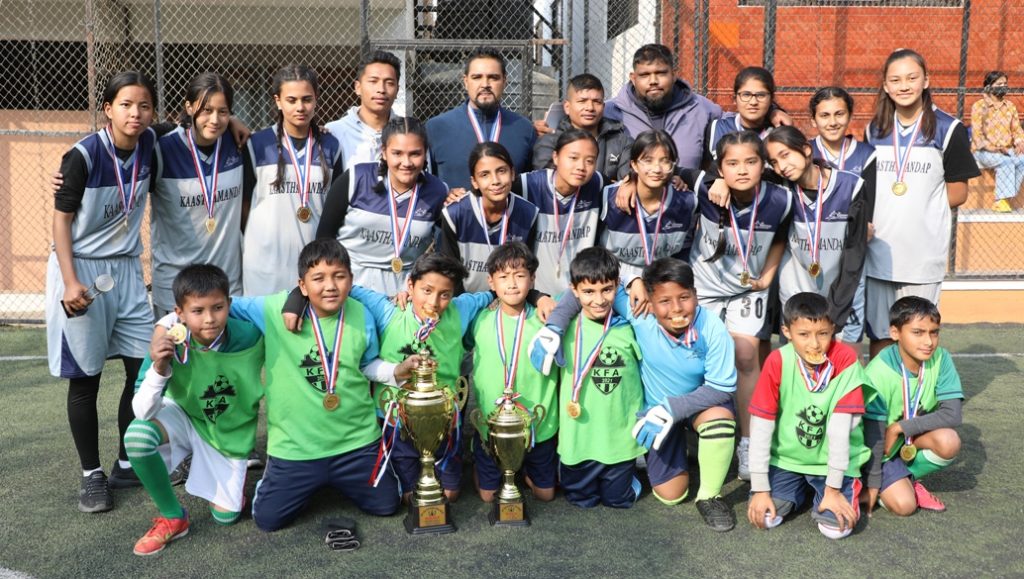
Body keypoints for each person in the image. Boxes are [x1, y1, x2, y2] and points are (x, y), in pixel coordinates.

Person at [227, 239, 415, 531]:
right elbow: (221, 304)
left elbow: (366, 364)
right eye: (318, 279)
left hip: (356, 443)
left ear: (351, 279)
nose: (330, 286)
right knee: (268, 520)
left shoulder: (362, 314)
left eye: (339, 276)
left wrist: (396, 370)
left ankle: (341, 478)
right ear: (302, 286)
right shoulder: (274, 309)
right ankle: (283, 478)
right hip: (295, 449)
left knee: (387, 504)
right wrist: (168, 325)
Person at [542, 258, 738, 529]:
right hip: (655, 414)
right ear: (649, 301)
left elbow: (721, 388)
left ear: (695, 295)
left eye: (684, 297)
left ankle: (709, 496)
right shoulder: (639, 313)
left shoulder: (712, 327)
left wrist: (673, 408)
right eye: (665, 301)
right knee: (671, 495)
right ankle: (685, 449)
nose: (676, 308)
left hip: (695, 407)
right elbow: (589, 286)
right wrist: (555, 325)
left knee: (719, 418)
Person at [47, 71, 158, 512]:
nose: (136, 113)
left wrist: (238, 123)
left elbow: (193, 129)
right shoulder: (83, 156)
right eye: (126, 105)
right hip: (82, 268)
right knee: (86, 377)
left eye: (144, 105)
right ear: (108, 109)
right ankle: (91, 474)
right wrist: (71, 281)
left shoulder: (151, 143)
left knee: (142, 369)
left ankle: (127, 463)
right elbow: (61, 222)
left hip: (127, 269)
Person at [126, 264, 263, 555]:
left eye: (218, 308)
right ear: (180, 313)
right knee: (137, 437)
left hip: (226, 430)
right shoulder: (168, 341)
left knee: (226, 517)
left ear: (229, 305)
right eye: (198, 311)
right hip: (183, 417)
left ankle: (215, 472)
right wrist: (160, 367)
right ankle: (173, 517)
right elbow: (142, 411)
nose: (210, 319)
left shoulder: (251, 334)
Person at [688, 131, 792, 481]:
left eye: (751, 162)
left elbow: (779, 238)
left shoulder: (780, 199)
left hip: (748, 289)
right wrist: (714, 179)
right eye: (732, 164)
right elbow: (673, 170)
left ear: (763, 165)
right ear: (720, 167)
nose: (742, 170)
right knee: (698, 357)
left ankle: (749, 443)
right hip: (704, 288)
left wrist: (768, 276)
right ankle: (693, 433)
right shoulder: (704, 186)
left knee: (746, 357)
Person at [864, 49, 980, 358]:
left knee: (917, 339)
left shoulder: (949, 129)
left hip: (921, 255)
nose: (904, 86)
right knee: (880, 337)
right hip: (879, 253)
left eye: (911, 78)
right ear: (885, 86)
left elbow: (959, 192)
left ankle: (914, 393)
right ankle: (882, 392)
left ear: (926, 81)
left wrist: (918, 208)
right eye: (895, 80)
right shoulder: (874, 130)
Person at [746, 292, 872, 540]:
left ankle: (826, 490)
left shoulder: (846, 359)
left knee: (836, 529)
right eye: (803, 334)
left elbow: (839, 431)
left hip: (833, 465)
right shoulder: (777, 360)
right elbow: (761, 425)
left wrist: (833, 489)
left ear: (832, 329)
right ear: (787, 332)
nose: (814, 344)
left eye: (822, 334)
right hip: (786, 460)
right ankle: (800, 488)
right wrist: (760, 488)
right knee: (766, 519)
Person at [548, 248, 645, 508]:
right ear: (574, 290)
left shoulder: (630, 326)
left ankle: (631, 476)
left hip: (619, 440)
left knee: (618, 501)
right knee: (581, 500)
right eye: (589, 291)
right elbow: (541, 304)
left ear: (617, 286)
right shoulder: (565, 324)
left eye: (607, 290)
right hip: (578, 440)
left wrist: (635, 280)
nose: (599, 300)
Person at [242, 65, 343, 296]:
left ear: (316, 99)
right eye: (291, 100)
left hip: (313, 264)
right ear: (278, 101)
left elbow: (334, 208)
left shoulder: (331, 146)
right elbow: (243, 203)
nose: (300, 107)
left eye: (307, 99)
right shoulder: (257, 144)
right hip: (265, 265)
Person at [469, 242, 558, 503]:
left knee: (545, 495)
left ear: (532, 279)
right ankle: (481, 461)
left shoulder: (547, 317)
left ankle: (525, 468)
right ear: (491, 281)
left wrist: (541, 297)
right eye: (503, 277)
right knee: (488, 497)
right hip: (493, 426)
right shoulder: (479, 318)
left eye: (520, 276)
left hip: (538, 427)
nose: (512, 284)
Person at [150, 73, 245, 318]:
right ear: (189, 107)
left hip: (227, 286)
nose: (214, 119)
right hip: (175, 288)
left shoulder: (238, 144)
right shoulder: (162, 149)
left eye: (223, 112)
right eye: (206, 110)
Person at [317, 117, 446, 296]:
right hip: (350, 293)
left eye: (415, 154)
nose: (406, 162)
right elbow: (323, 241)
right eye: (397, 153)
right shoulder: (355, 179)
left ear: (425, 154)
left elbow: (454, 243)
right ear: (384, 152)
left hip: (403, 299)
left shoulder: (438, 191)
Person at [863, 296, 963, 515]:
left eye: (934, 332)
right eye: (918, 332)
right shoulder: (878, 372)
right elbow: (870, 436)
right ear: (895, 333)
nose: (929, 342)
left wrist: (900, 428)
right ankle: (885, 485)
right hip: (878, 451)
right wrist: (872, 481)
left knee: (949, 441)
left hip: (903, 439)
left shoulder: (941, 358)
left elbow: (952, 414)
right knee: (905, 506)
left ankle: (905, 478)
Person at [765, 126, 871, 332]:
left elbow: (855, 252)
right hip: (796, 290)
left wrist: (836, 310)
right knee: (799, 349)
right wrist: (719, 179)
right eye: (774, 162)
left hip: (841, 290)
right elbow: (741, 160)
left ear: (806, 150)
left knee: (844, 350)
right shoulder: (780, 187)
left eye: (785, 155)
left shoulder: (852, 186)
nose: (781, 167)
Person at [809, 87, 877, 346]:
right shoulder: (804, 152)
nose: (832, 121)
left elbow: (869, 206)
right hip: (812, 250)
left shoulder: (866, 154)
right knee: (810, 323)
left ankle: (848, 370)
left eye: (839, 114)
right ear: (813, 120)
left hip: (850, 253)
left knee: (849, 330)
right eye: (824, 115)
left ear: (850, 116)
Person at [600, 130, 697, 311]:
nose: (657, 169)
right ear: (634, 165)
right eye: (648, 160)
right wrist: (631, 279)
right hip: (614, 280)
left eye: (665, 161)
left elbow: (682, 255)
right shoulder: (608, 197)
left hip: (662, 283)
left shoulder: (687, 201)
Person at [426, 47, 536, 191]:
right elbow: (424, 185)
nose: (485, 84)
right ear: (465, 81)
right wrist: (444, 195)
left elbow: (532, 188)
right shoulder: (436, 128)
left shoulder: (524, 129)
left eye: (493, 77)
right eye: (477, 77)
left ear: (505, 81)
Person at [439, 142, 539, 293]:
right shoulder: (454, 214)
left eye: (501, 171)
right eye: (485, 175)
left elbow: (528, 270)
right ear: (474, 182)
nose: (495, 181)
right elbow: (450, 273)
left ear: (512, 173)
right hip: (466, 302)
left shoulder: (528, 213)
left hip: (510, 301)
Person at [514, 129, 604, 295]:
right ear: (555, 157)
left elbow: (624, 187)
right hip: (536, 296)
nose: (581, 167)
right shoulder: (527, 185)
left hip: (581, 295)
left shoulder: (598, 183)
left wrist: (631, 182)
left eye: (590, 161)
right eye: (573, 158)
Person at [533, 73, 633, 184]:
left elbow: (626, 185)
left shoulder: (622, 142)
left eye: (597, 102)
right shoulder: (549, 142)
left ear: (603, 107)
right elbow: (550, 183)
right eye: (582, 101)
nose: (590, 108)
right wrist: (608, 184)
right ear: (567, 107)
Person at [325, 50, 402, 171]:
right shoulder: (334, 132)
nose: (381, 89)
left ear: (397, 90)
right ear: (358, 87)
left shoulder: (408, 132)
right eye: (373, 81)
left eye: (389, 83)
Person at [970, 70, 1024, 213]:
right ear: (988, 86)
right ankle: (1000, 201)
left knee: (1022, 160)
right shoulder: (979, 107)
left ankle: (1004, 199)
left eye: (1005, 84)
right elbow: (977, 137)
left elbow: (1016, 129)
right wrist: (996, 148)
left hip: (1006, 150)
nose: (1003, 86)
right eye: (999, 84)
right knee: (1006, 162)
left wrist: (1020, 141)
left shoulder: (1010, 106)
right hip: (983, 151)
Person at [704, 67, 777, 169]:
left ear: (771, 99)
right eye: (746, 95)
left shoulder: (779, 131)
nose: (753, 102)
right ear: (735, 98)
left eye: (761, 95)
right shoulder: (717, 128)